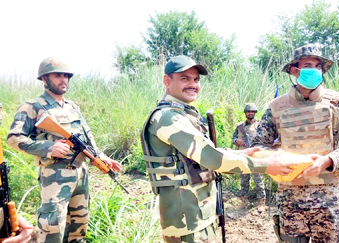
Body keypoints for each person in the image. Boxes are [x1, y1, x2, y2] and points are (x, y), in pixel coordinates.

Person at [140, 55, 297, 242]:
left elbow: (201, 153)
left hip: (197, 213)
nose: (193, 84)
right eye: (185, 78)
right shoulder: (169, 118)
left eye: (196, 79)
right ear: (167, 81)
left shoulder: (181, 114)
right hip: (187, 221)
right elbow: (212, 158)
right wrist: (266, 165)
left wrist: (240, 153)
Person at [252, 43, 339, 243]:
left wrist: (328, 160)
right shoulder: (276, 107)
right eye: (308, 65)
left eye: (318, 66)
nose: (315, 70)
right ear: (295, 71)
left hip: (328, 196)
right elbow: (259, 146)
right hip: (290, 197)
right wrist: (278, 160)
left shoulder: (336, 103)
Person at [6, 57, 123, 243]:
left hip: (80, 172)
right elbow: (13, 138)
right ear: (44, 79)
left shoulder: (72, 106)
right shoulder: (33, 106)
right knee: (52, 228)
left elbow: (87, 136)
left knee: (79, 226)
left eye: (66, 76)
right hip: (55, 174)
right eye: (57, 75)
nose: (63, 80)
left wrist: (100, 156)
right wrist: (48, 147)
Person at [232, 103, 267, 206]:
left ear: (255, 113)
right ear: (245, 113)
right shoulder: (240, 126)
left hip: (255, 156)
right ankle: (243, 200)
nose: (250, 113)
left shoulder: (259, 125)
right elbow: (233, 138)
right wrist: (236, 141)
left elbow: (265, 138)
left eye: (252, 112)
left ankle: (261, 201)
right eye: (248, 112)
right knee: (244, 178)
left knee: (258, 179)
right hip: (243, 156)